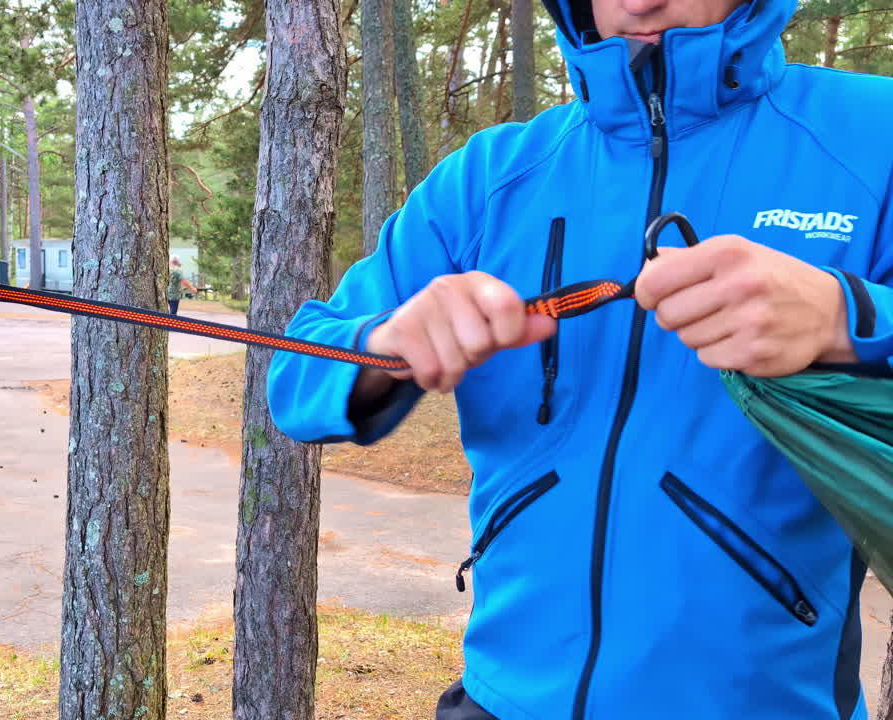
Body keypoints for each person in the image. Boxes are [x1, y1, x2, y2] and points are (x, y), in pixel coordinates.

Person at [266, 0, 893, 715]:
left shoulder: (871, 137)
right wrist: (383, 348)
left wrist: (853, 317)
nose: (637, 4)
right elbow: (294, 374)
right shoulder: (490, 177)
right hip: (502, 698)